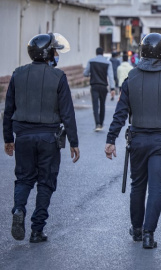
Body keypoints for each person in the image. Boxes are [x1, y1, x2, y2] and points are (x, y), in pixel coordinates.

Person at [104, 33, 161, 249]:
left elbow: (120, 112)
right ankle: (148, 233)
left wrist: (111, 139)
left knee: (138, 185)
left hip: (137, 140)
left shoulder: (131, 78)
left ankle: (136, 229)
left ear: (141, 52)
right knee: (157, 188)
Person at [3, 33, 80, 243]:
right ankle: (37, 230)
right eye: (54, 51)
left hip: (23, 138)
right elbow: (67, 113)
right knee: (46, 183)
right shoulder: (58, 77)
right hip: (49, 138)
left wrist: (8, 138)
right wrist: (74, 142)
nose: (56, 54)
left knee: (24, 179)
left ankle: (19, 209)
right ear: (48, 53)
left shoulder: (17, 74)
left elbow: (8, 109)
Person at [83, 47, 115, 131]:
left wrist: (89, 74)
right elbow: (111, 77)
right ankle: (101, 123)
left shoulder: (91, 61)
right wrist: (112, 88)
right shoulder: (108, 63)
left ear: (96, 53)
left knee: (95, 105)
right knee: (102, 105)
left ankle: (97, 124)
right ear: (103, 53)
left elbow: (85, 73)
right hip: (103, 86)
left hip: (94, 86)